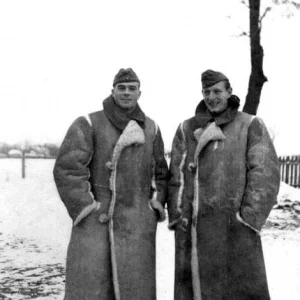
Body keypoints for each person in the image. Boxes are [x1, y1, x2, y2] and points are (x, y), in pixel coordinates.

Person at [53, 68, 168, 300]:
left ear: (139, 93)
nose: (126, 93)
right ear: (113, 91)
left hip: (136, 223)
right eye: (121, 88)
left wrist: (155, 202)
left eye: (132, 89)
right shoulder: (89, 122)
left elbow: (161, 172)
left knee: (133, 289)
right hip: (97, 221)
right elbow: (68, 169)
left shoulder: (151, 128)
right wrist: (86, 206)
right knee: (92, 287)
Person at [167, 69, 280, 300]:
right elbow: (176, 177)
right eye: (206, 92)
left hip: (235, 230)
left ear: (229, 92)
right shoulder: (186, 129)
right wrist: (179, 216)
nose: (211, 97)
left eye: (217, 91)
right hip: (193, 233)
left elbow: (265, 176)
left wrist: (247, 219)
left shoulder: (250, 125)